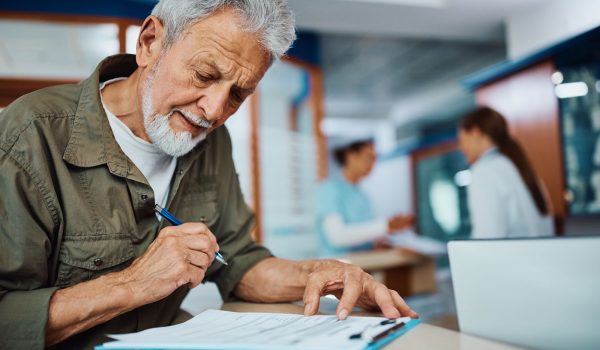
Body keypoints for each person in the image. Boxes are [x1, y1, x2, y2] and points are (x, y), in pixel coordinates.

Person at [0, 1, 418, 349]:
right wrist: (134, 283)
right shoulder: (32, 133)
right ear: (150, 43)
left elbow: (237, 260)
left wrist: (320, 274)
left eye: (238, 93)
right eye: (204, 75)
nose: (215, 111)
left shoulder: (210, 140)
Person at [458, 106, 554, 239]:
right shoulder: (516, 165)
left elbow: (487, 237)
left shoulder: (484, 171)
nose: (462, 148)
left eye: (462, 140)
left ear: (476, 132)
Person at [316, 139, 414, 257]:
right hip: (337, 267)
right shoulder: (329, 190)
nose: (372, 164)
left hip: (364, 264)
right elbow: (337, 237)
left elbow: (368, 235)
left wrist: (381, 242)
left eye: (375, 159)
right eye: (368, 157)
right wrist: (386, 226)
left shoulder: (363, 196)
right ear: (351, 156)